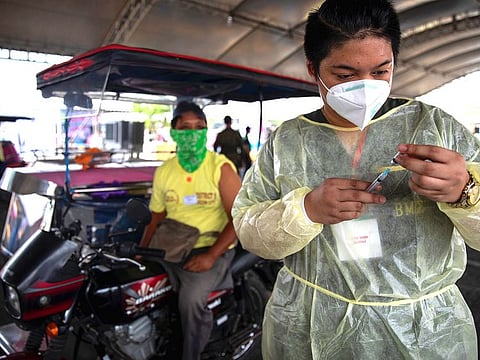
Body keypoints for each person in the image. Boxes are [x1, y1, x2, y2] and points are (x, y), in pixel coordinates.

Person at [231, 0, 480, 359]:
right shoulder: (288, 141)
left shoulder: (436, 128)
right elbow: (249, 228)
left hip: (423, 333)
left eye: (381, 71)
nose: (365, 87)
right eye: (345, 76)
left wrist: (465, 191)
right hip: (312, 326)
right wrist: (306, 210)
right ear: (312, 68)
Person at [139, 101, 241, 360]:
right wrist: (141, 252)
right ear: (174, 132)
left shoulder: (221, 168)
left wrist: (210, 256)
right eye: (186, 128)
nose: (193, 133)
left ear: (206, 132)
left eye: (199, 128)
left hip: (211, 246)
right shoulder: (165, 171)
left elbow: (239, 219)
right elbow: (156, 217)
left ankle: (192, 355)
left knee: (191, 300)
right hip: (171, 245)